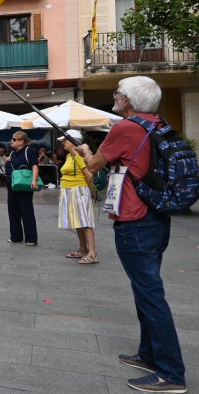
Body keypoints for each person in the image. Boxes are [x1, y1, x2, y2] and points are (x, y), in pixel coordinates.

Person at [76, 76, 186, 393]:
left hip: (134, 222)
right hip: (154, 218)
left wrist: (84, 150)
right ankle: (149, 355)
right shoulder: (156, 124)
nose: (115, 96)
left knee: (151, 297)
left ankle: (171, 373)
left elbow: (94, 165)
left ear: (128, 100)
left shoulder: (125, 128)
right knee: (145, 292)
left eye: (118, 93)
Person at [55, 129, 98, 264]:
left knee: (85, 222)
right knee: (78, 222)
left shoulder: (78, 155)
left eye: (65, 141)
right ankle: (83, 249)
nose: (63, 143)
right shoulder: (70, 156)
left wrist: (91, 192)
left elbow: (89, 175)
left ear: (73, 141)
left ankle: (92, 253)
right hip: (70, 190)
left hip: (78, 190)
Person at [6, 131, 39, 246]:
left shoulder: (28, 151)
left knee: (26, 211)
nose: (12, 141)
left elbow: (35, 166)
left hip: (24, 186)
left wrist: (34, 180)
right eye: (12, 139)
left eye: (14, 139)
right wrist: (7, 160)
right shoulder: (12, 153)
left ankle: (31, 238)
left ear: (21, 142)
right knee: (13, 211)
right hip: (12, 185)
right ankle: (16, 237)